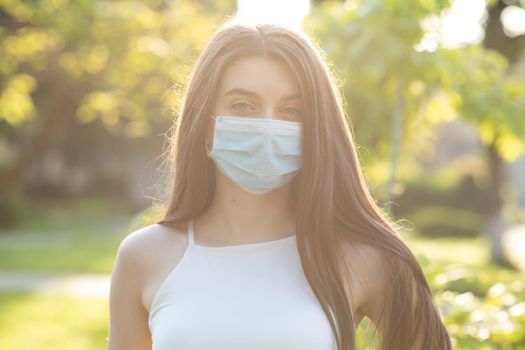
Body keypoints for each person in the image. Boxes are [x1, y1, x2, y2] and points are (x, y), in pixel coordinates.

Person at [107, 22, 452, 350]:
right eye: (243, 105)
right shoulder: (143, 256)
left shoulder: (364, 257)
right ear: (204, 120)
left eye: (292, 110)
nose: (267, 126)